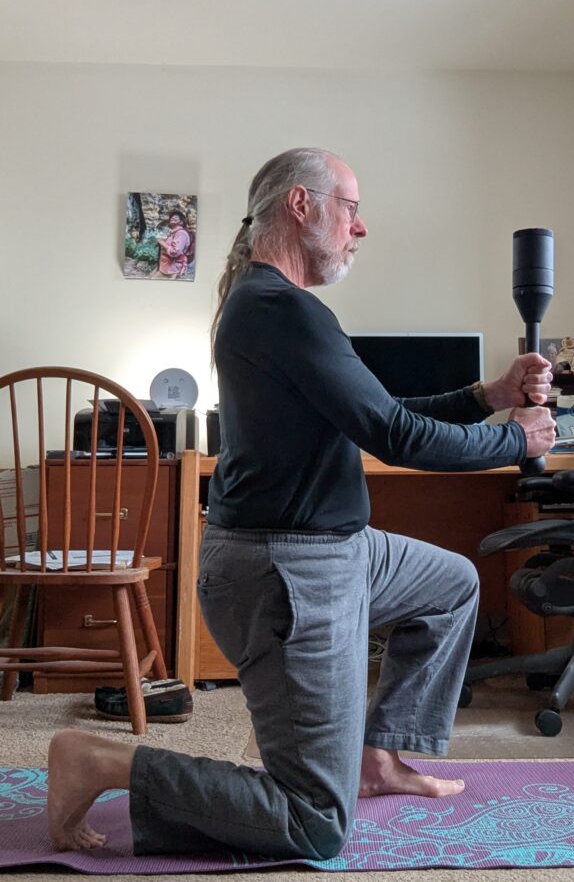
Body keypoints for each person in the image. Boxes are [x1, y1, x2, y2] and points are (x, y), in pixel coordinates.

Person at [47, 147, 556, 858]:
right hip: (287, 572)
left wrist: (486, 397)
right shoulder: (280, 310)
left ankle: (377, 758)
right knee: (315, 822)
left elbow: (378, 414)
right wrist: (514, 438)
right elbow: (394, 435)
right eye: (351, 209)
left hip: (338, 550)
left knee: (452, 585)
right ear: (299, 205)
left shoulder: (273, 307)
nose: (361, 227)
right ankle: (102, 761)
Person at [153, 209, 192, 278]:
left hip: (173, 270)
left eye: (176, 217)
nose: (173, 217)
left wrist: (162, 242)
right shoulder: (173, 233)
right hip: (166, 268)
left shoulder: (181, 233)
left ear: (181, 222)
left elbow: (175, 252)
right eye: (172, 217)